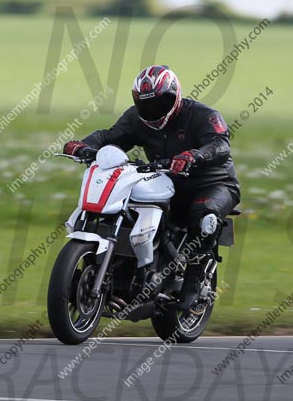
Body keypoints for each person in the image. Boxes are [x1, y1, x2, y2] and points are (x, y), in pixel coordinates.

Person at [63, 65, 241, 314]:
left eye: (161, 102)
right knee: (128, 210)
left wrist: (193, 156)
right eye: (146, 104)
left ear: (176, 94)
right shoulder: (136, 118)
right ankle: (125, 274)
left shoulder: (204, 115)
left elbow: (220, 145)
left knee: (204, 214)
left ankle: (194, 281)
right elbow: (111, 137)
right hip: (166, 181)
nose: (153, 110)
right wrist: (84, 145)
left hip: (213, 183)